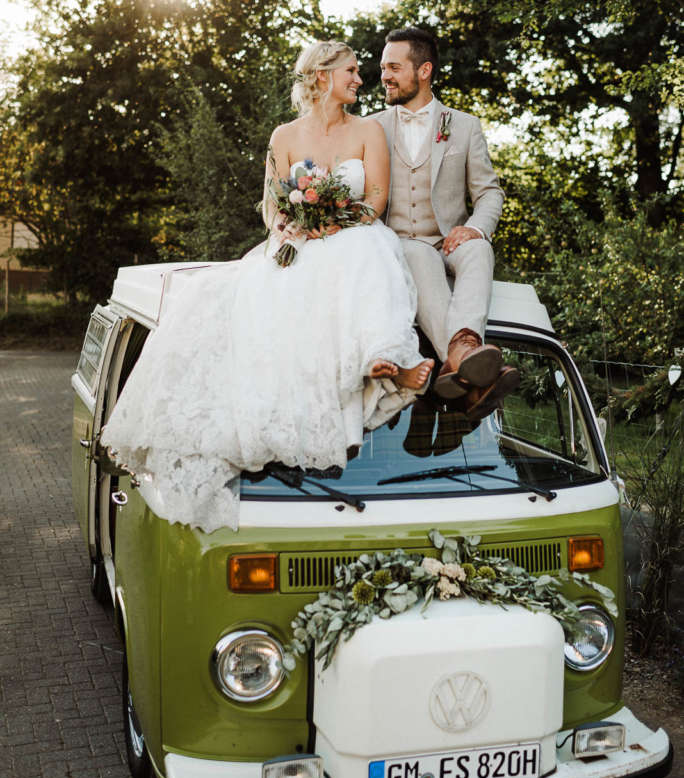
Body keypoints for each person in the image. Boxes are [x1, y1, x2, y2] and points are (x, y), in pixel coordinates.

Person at [100, 40, 433, 533]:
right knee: (238, 303)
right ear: (322, 77)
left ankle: (379, 360)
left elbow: (377, 201)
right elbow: (276, 207)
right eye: (351, 71)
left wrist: (333, 221)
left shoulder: (370, 132)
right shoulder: (284, 136)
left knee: (367, 263)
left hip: (354, 238)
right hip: (298, 242)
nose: (360, 79)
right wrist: (299, 223)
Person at [374, 26, 519, 418]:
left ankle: (464, 351)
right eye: (382, 67)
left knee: (479, 248)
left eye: (393, 67)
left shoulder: (465, 126)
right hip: (400, 243)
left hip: (449, 241)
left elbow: (489, 192)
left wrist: (475, 227)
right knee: (417, 254)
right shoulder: (373, 127)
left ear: (424, 71)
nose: (383, 75)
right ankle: (465, 359)